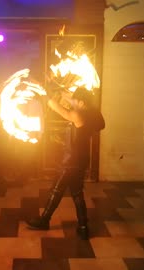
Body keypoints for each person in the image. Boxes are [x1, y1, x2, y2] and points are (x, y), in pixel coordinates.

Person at [26, 88, 105, 240]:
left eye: (76, 101)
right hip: (80, 161)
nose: (72, 102)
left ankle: (44, 220)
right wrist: (65, 94)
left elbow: (58, 109)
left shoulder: (78, 114)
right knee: (77, 193)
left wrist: (43, 92)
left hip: (71, 161)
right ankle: (83, 227)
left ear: (82, 103)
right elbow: (101, 123)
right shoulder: (92, 115)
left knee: (56, 190)